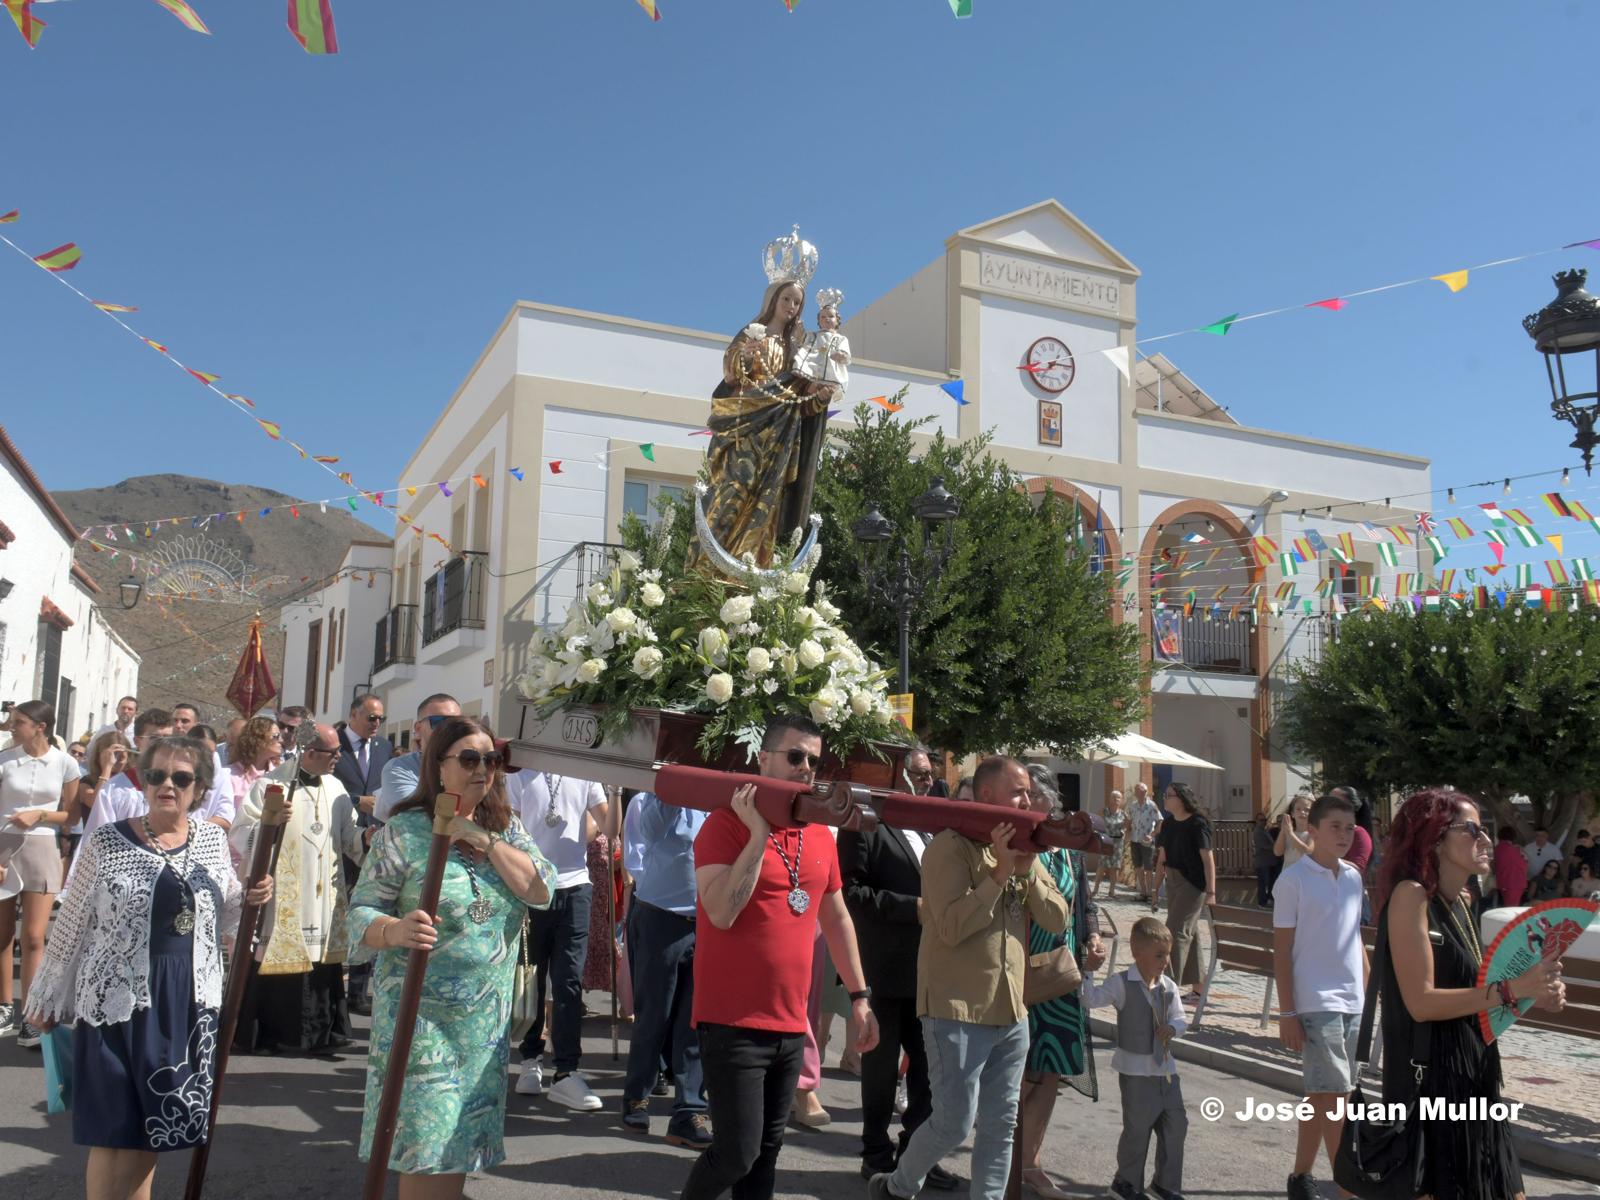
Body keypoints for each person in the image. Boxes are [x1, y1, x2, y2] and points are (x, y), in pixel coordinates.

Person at [26, 736, 274, 1199]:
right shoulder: (108, 841)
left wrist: (251, 896)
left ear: (199, 788)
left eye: (180, 778)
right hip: (115, 998)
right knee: (111, 1129)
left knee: (150, 1131)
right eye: (156, 775)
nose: (167, 785)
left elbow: (224, 913)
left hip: (184, 1000)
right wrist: (45, 996)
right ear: (142, 781)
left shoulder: (211, 841)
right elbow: (73, 922)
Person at [347, 716, 556, 1197]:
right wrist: (395, 929)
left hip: (483, 1026)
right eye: (468, 758)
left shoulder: (506, 828)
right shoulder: (404, 830)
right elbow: (360, 912)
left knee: (459, 1146)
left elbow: (540, 889)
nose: (482, 768)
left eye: (490, 759)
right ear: (438, 767)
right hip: (422, 1021)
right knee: (427, 1147)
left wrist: (482, 838)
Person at [681, 714, 878, 1200]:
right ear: (763, 759)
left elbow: (836, 920)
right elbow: (722, 912)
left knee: (765, 1157)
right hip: (733, 1023)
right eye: (795, 756)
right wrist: (756, 835)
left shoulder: (817, 833)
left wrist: (859, 996)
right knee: (737, 1153)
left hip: (791, 1025)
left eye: (814, 759)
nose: (806, 767)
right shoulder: (723, 825)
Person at [869, 756, 1068, 1200]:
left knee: (1000, 1124)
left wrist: (1025, 869)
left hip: (1011, 1011)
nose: (1030, 799)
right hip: (956, 1009)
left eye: (1031, 793)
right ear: (987, 797)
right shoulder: (948, 848)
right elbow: (952, 926)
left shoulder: (1025, 851)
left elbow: (1057, 920)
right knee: (953, 1123)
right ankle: (898, 1187)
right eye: (1019, 792)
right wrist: (998, 873)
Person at [1375, 789, 1565, 1200]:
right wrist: (1513, 989)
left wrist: (1533, 993)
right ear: (1434, 838)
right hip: (1431, 1087)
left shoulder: (1462, 901)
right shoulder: (1411, 896)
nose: (1487, 840)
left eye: (1486, 830)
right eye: (1472, 829)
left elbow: (1478, 997)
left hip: (1475, 1075)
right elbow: (1421, 1002)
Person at [839, 747, 959, 1190]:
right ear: (895, 775)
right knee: (881, 1069)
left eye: (930, 776)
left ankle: (917, 1152)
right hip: (882, 966)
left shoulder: (932, 826)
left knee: (930, 1068)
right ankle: (875, 1152)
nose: (927, 783)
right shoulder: (865, 822)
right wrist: (915, 909)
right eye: (918, 775)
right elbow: (851, 894)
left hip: (930, 969)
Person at [230, 723, 366, 1056]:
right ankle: (277, 1035)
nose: (338, 758)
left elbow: (349, 838)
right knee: (280, 956)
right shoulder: (270, 786)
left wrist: (367, 839)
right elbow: (240, 834)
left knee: (323, 962)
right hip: (286, 895)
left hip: (325, 893)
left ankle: (321, 1033)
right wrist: (268, 822)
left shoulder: (335, 787)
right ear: (309, 753)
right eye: (332, 753)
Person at [689, 270, 836, 573]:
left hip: (779, 439)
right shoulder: (751, 334)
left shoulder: (798, 352)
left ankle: (751, 569)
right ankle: (705, 570)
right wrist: (745, 356)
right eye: (786, 298)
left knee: (766, 505)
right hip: (744, 429)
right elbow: (730, 375)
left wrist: (820, 396)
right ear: (773, 299)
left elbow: (799, 403)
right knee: (733, 489)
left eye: (797, 302)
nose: (792, 306)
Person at [1273, 792, 1367, 1200]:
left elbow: (1355, 939)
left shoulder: (1353, 877)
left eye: (1350, 827)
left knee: (1321, 1094)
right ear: (1312, 828)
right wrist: (1287, 1011)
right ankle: (1347, 1189)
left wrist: (1373, 993)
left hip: (1354, 1002)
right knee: (1337, 1099)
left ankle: (1300, 1177)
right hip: (1315, 1002)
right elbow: (1282, 951)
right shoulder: (1292, 880)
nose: (1344, 835)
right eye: (1335, 827)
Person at [1018, 765, 1106, 1200]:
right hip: (1020, 972)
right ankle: (1011, 1161)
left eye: (1032, 793)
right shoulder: (1017, 844)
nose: (1025, 801)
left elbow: (1084, 903)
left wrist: (1092, 936)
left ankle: (1031, 1163)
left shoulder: (1067, 850)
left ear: (1050, 799)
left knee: (1050, 1070)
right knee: (1023, 1071)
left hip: (1062, 974)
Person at [507, 765, 608, 1110]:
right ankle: (530, 1059)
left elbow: (608, 826)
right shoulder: (518, 774)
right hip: (532, 885)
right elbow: (511, 829)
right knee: (531, 976)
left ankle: (567, 1071)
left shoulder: (584, 773)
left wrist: (618, 793)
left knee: (568, 980)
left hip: (576, 884)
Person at [621, 789, 711, 1146]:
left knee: (695, 1020)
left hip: (707, 920)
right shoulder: (649, 798)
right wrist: (676, 787)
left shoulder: (720, 797)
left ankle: (689, 1109)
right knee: (654, 1015)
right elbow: (650, 833)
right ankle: (636, 1096)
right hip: (660, 915)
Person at [1078, 918, 1189, 1200]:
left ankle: (1165, 1183)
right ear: (1137, 953)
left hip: (1166, 1070)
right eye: (1159, 955)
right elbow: (1090, 999)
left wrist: (1173, 1028)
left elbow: (1180, 1018)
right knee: (1138, 1130)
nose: (1165, 961)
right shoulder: (1121, 983)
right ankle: (1125, 1182)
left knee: (1175, 1126)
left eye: (1167, 955)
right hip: (1136, 1071)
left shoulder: (1169, 986)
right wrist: (1088, 972)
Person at [0, 700, 79, 1046]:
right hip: (3, 845)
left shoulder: (65, 763)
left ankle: (31, 1012)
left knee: (34, 936)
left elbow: (71, 816)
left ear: (40, 727)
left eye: (18, 722)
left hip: (43, 846)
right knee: (3, 935)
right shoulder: (4, 760)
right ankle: (4, 1005)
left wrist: (39, 815)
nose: (11, 727)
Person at [1153, 783, 1214, 1004]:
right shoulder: (1167, 824)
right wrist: (1154, 888)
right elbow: (1162, 857)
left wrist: (1211, 890)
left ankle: (1166, 987)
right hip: (1172, 881)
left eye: (1168, 796)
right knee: (1191, 934)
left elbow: (1208, 859)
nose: (1165, 799)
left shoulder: (1198, 823)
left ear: (1181, 799)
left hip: (1193, 883)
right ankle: (1199, 990)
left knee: (1176, 931)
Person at [376, 693, 461, 821]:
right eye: (439, 722)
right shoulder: (399, 768)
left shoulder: (475, 764)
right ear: (418, 728)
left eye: (456, 723)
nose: (449, 729)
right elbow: (417, 819)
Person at [227, 717, 282, 818]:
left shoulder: (280, 775)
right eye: (276, 736)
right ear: (258, 739)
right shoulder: (228, 775)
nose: (281, 740)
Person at [1127, 782, 1162, 904]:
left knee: (1148, 867)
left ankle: (1150, 894)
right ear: (1136, 793)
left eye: (1143, 791)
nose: (1141, 793)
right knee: (1138, 867)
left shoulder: (1152, 806)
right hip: (1135, 840)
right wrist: (1127, 834)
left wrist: (1152, 835)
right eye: (1138, 791)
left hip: (1147, 841)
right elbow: (1129, 821)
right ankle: (1143, 892)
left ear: (1146, 792)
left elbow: (1160, 821)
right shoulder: (1132, 806)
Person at [1092, 789, 1128, 900]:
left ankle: (1112, 891)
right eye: (1114, 797)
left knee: (1115, 867)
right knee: (1102, 866)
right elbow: (1095, 821)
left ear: (1121, 800)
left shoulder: (1123, 813)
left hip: (1118, 842)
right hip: (1106, 841)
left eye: (1119, 798)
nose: (1116, 799)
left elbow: (1128, 825)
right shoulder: (1104, 811)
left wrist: (1125, 831)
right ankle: (1095, 890)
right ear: (1110, 799)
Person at [1274, 794, 1313, 872]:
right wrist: (1283, 831)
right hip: (1288, 873)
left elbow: (1308, 851)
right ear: (1292, 813)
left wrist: (1290, 834)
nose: (1302, 812)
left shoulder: (1312, 833)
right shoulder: (1287, 832)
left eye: (1307, 810)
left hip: (1305, 874)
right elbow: (1277, 852)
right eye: (1298, 809)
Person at [1253, 813, 1277, 908]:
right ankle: (1262, 902)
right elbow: (1264, 846)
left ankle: (1266, 900)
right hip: (1262, 862)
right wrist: (1277, 847)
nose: (1263, 822)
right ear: (1256, 821)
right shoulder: (1258, 832)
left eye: (1264, 820)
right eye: (1261, 820)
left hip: (1268, 861)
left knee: (1269, 882)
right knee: (1263, 883)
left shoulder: (1264, 830)